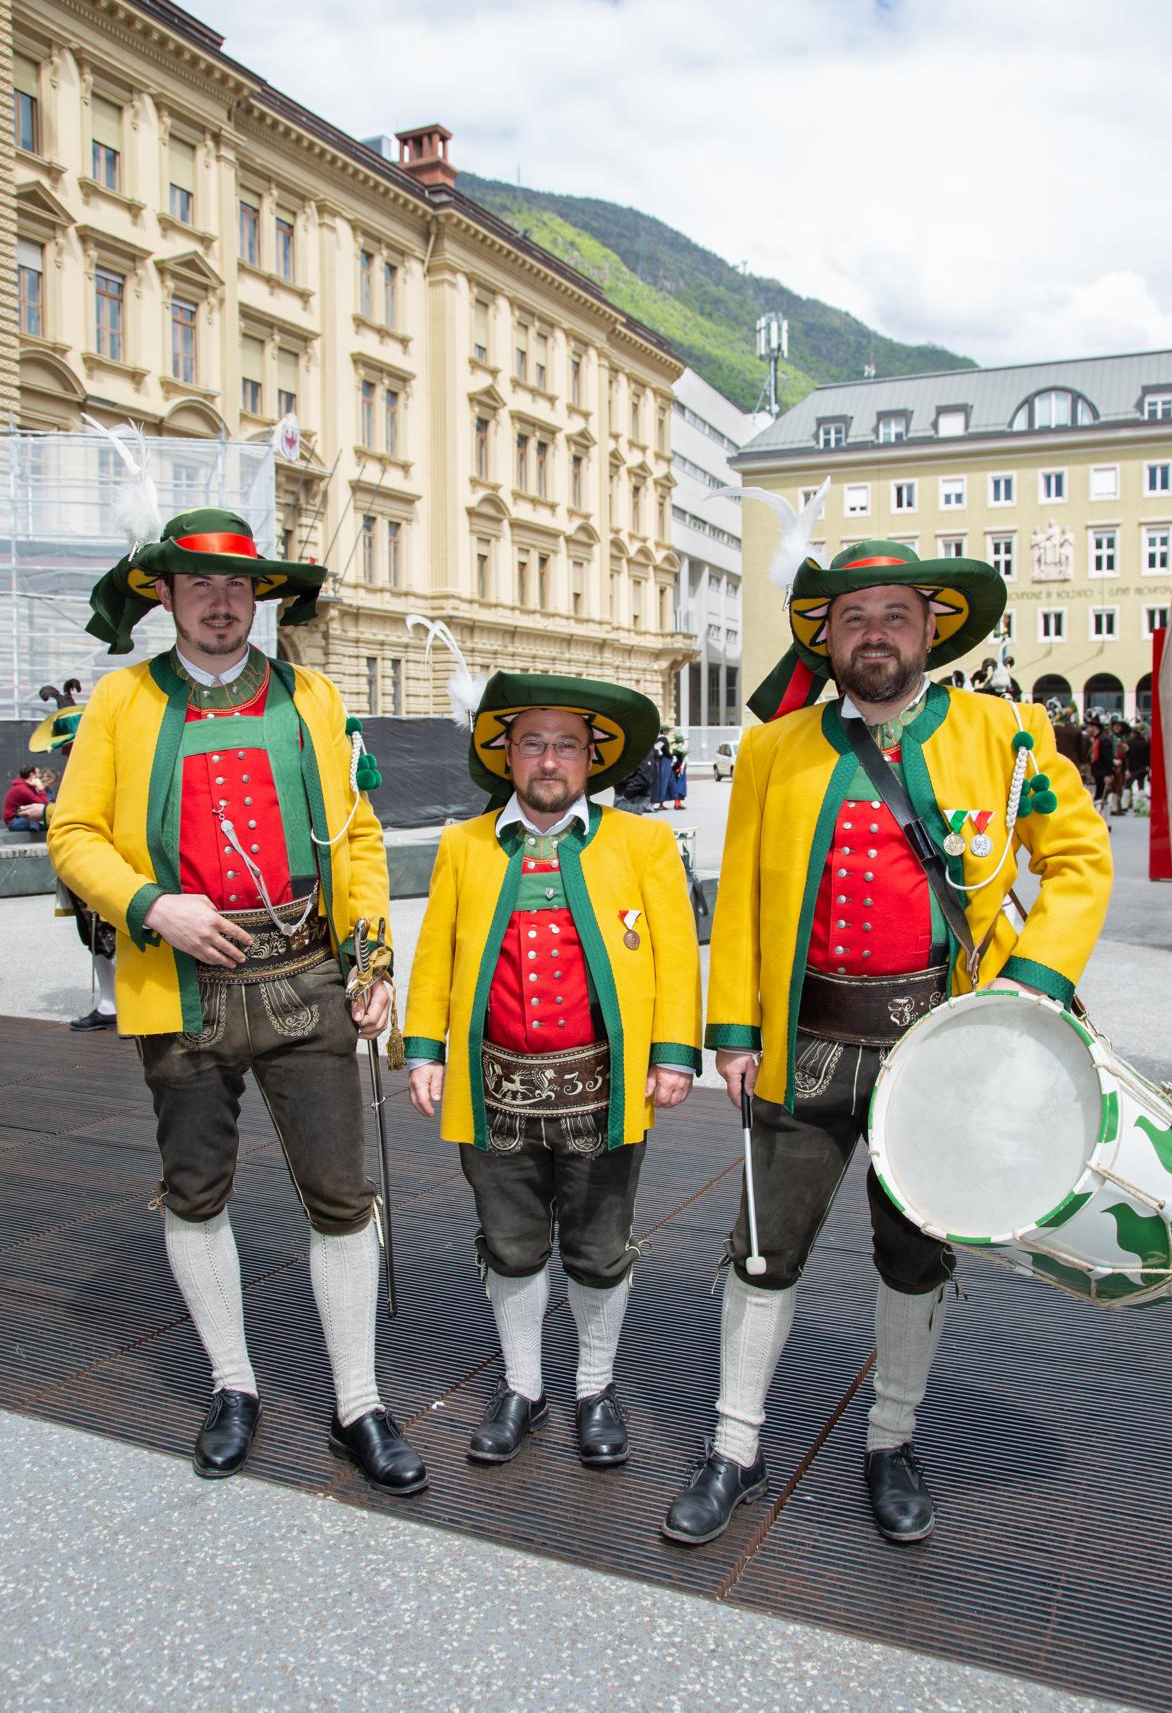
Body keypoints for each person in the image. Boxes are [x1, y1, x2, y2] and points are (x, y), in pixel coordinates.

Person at [662, 537, 1111, 1549]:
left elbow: (1079, 862)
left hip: (939, 1052)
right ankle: (734, 1444)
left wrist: (1028, 985)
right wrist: (731, 1030)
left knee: (916, 1256)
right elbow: (741, 900)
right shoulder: (779, 749)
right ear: (826, 637)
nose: (874, 635)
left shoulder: (1006, 734)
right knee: (763, 1251)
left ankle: (891, 1437)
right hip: (807, 1040)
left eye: (894, 617)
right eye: (853, 618)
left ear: (930, 631)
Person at [48, 507, 427, 1496]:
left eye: (236, 587)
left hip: (306, 975)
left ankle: (358, 1402)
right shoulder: (122, 702)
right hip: (183, 983)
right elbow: (72, 833)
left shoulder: (313, 695)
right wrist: (151, 906)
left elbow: (361, 839)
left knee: (342, 1194)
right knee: (196, 1187)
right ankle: (233, 1384)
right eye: (199, 585)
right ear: (164, 596)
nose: (220, 603)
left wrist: (374, 961)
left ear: (258, 599)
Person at [404, 669, 701, 1468]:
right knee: (509, 1241)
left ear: (592, 759)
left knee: (600, 1247)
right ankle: (523, 1386)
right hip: (493, 1085)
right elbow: (437, 953)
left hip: (603, 1089)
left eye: (567, 745)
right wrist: (424, 1048)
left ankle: (594, 1388)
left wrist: (674, 1052)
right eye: (531, 742)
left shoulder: (640, 843)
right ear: (504, 755)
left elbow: (676, 955)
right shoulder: (464, 845)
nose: (548, 760)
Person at [29, 688, 120, 1030]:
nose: (65, 753)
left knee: (112, 939)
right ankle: (111, 1002)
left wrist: (46, 811)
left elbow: (100, 814)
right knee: (95, 939)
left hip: (106, 866)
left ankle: (118, 1004)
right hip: (84, 869)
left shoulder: (107, 765)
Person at [4, 764, 53, 831]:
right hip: (14, 822)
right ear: (31, 775)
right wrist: (40, 788)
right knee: (48, 822)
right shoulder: (22, 789)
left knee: (47, 820)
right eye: (38, 773)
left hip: (20, 818)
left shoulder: (26, 786)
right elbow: (44, 804)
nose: (39, 776)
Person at [613, 746, 655, 815]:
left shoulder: (643, 748)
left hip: (631, 797)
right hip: (624, 793)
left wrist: (627, 793)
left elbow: (644, 775)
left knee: (626, 823)